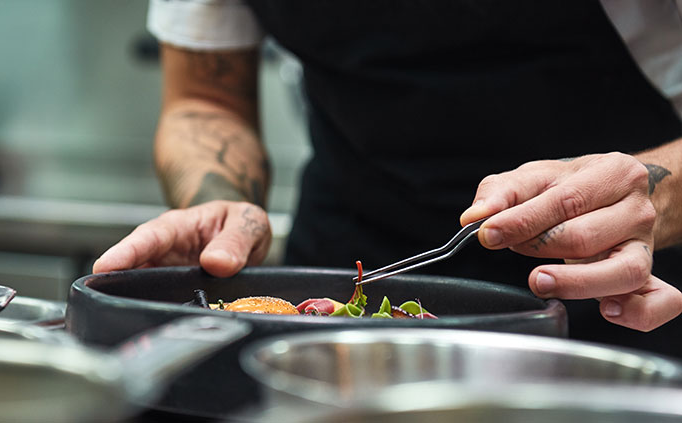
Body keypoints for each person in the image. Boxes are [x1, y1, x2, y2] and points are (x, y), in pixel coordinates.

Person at [94, 0, 682, 355]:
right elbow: (205, 97)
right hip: (343, 274)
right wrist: (222, 204)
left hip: (621, 285)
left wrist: (655, 188)